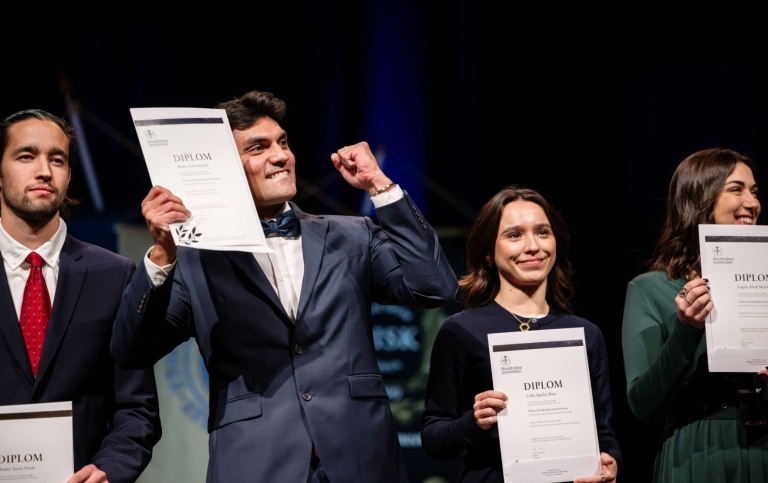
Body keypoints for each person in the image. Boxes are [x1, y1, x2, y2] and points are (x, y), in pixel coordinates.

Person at [110, 89, 459, 483]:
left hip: (362, 457)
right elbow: (131, 350)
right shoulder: (193, 259)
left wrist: (381, 187)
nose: (281, 156)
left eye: (283, 142)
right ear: (221, 165)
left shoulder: (352, 234)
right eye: (258, 147)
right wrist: (161, 255)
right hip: (256, 462)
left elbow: (435, 287)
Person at [0, 109, 161, 482]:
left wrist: (108, 470)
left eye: (57, 159)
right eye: (26, 156)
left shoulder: (113, 274)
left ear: (69, 175)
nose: (44, 170)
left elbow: (137, 409)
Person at [421, 185, 622, 483]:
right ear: (489, 253)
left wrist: (610, 464)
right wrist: (474, 422)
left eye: (542, 232)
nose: (533, 246)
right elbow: (433, 437)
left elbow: (602, 432)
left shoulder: (586, 334)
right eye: (515, 235)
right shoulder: (461, 331)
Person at [622, 147, 768, 482]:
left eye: (755, 191)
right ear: (700, 198)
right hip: (699, 455)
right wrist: (686, 329)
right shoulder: (652, 289)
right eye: (736, 189)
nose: (752, 202)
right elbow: (643, 406)